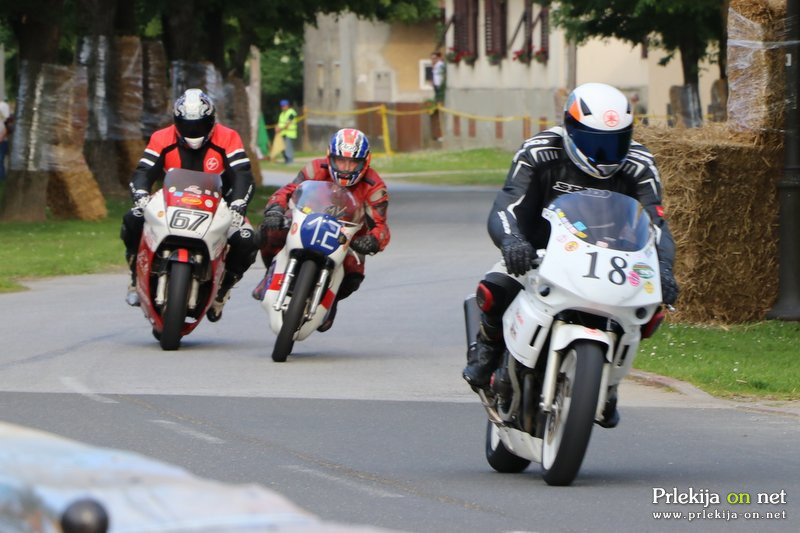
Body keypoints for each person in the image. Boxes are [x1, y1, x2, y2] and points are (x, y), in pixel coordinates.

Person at [461, 82, 679, 427]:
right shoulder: (539, 150)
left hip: (609, 255)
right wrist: (512, 241)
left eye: (614, 142)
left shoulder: (639, 163)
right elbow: (506, 204)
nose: (604, 153)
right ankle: (488, 347)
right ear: (570, 129)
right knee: (494, 289)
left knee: (646, 312)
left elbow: (656, 221)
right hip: (538, 251)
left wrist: (664, 267)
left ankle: (606, 384)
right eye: (594, 142)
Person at [120, 88, 258, 322]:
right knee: (133, 218)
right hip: (170, 201)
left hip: (218, 205)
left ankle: (222, 291)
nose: (193, 131)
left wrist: (238, 205)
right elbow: (143, 171)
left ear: (212, 120)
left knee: (247, 238)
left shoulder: (228, 137)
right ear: (176, 122)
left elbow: (243, 174)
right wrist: (141, 196)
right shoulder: (161, 137)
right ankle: (135, 276)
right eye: (187, 125)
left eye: (201, 125)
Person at [251, 128, 390, 332]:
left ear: (365, 162)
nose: (346, 167)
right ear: (330, 157)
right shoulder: (315, 168)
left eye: (353, 162)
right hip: (308, 221)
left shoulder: (374, 186)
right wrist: (274, 209)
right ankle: (270, 276)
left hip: (346, 238)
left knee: (354, 274)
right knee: (270, 231)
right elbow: (288, 191)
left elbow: (381, 225)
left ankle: (330, 301)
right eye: (341, 160)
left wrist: (373, 240)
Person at [430, 51, 446, 141]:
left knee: (441, 109)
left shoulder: (440, 65)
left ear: (439, 58)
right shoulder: (435, 66)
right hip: (437, 88)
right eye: (432, 58)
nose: (433, 60)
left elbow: (441, 77)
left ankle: (442, 134)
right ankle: (441, 134)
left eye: (435, 58)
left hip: (440, 88)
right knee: (439, 110)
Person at [276, 99, 298, 164]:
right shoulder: (282, 114)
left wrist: (280, 128)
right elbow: (280, 123)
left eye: (284, 105)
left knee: (288, 148)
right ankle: (286, 161)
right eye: (282, 106)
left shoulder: (292, 112)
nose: (283, 107)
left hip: (290, 133)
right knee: (283, 148)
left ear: (287, 105)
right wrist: (277, 127)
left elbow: (288, 122)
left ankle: (290, 162)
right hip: (283, 133)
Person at [0, 100, 11, 181]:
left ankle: (2, 180)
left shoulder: (3, 106)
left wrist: (1, 137)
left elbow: (8, 123)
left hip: (2, 140)